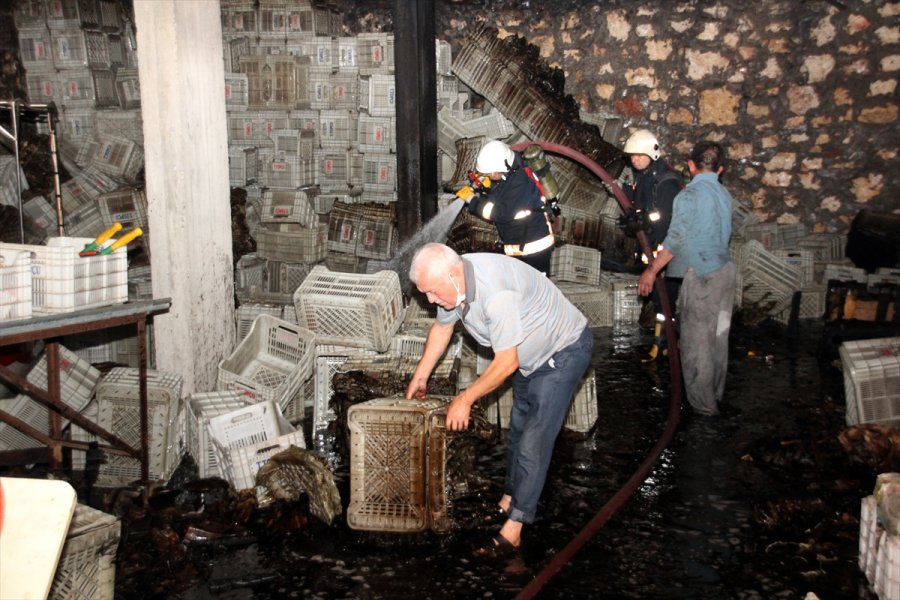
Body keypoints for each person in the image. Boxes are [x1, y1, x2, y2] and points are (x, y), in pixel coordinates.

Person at [405, 243, 593, 555]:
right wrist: (420, 375)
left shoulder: (496, 294)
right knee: (518, 428)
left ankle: (515, 529)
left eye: (433, 292)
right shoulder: (452, 282)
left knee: (535, 437)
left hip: (564, 350)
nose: (430, 300)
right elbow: (441, 329)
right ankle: (510, 498)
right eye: (425, 293)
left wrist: (465, 399)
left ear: (454, 276)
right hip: (528, 356)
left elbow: (506, 363)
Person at [637, 141, 736, 417]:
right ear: (721, 169)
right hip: (726, 275)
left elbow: (675, 240)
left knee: (696, 346)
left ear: (691, 166)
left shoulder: (688, 196)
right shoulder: (724, 195)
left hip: (702, 277)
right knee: (719, 339)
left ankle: (703, 411)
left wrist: (651, 270)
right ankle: (715, 397)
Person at [622, 129, 683, 362]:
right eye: (631, 156)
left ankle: (664, 345)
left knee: (665, 302)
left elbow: (666, 220)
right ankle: (663, 345)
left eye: (638, 155)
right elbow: (641, 208)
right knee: (659, 301)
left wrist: (645, 220)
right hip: (653, 254)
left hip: (666, 257)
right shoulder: (644, 178)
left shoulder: (666, 183)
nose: (633, 159)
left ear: (652, 154)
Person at [464, 139, 556, 275]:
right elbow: (499, 196)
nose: (488, 176)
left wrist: (473, 202)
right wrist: (484, 189)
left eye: (490, 172)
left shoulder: (520, 183)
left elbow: (500, 213)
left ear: (502, 166)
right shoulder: (511, 172)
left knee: (536, 290)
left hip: (534, 251)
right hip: (521, 247)